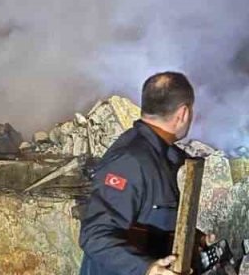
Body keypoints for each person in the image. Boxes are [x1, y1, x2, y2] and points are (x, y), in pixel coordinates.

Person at [78, 72, 202, 275]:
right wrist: (148, 269)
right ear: (183, 114)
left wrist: (197, 239)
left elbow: (153, 222)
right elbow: (94, 235)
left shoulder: (166, 156)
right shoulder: (130, 161)